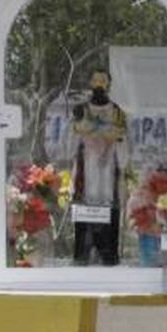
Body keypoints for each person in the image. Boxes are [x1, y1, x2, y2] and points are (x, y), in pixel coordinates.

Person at [69, 69, 129, 265]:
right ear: (90, 83)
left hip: (108, 170)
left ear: (108, 84)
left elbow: (123, 142)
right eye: (95, 80)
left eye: (103, 81)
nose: (99, 84)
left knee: (108, 208)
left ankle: (108, 254)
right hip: (87, 168)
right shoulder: (81, 111)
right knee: (85, 207)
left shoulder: (117, 112)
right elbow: (70, 144)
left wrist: (116, 143)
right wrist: (79, 128)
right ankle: (83, 254)